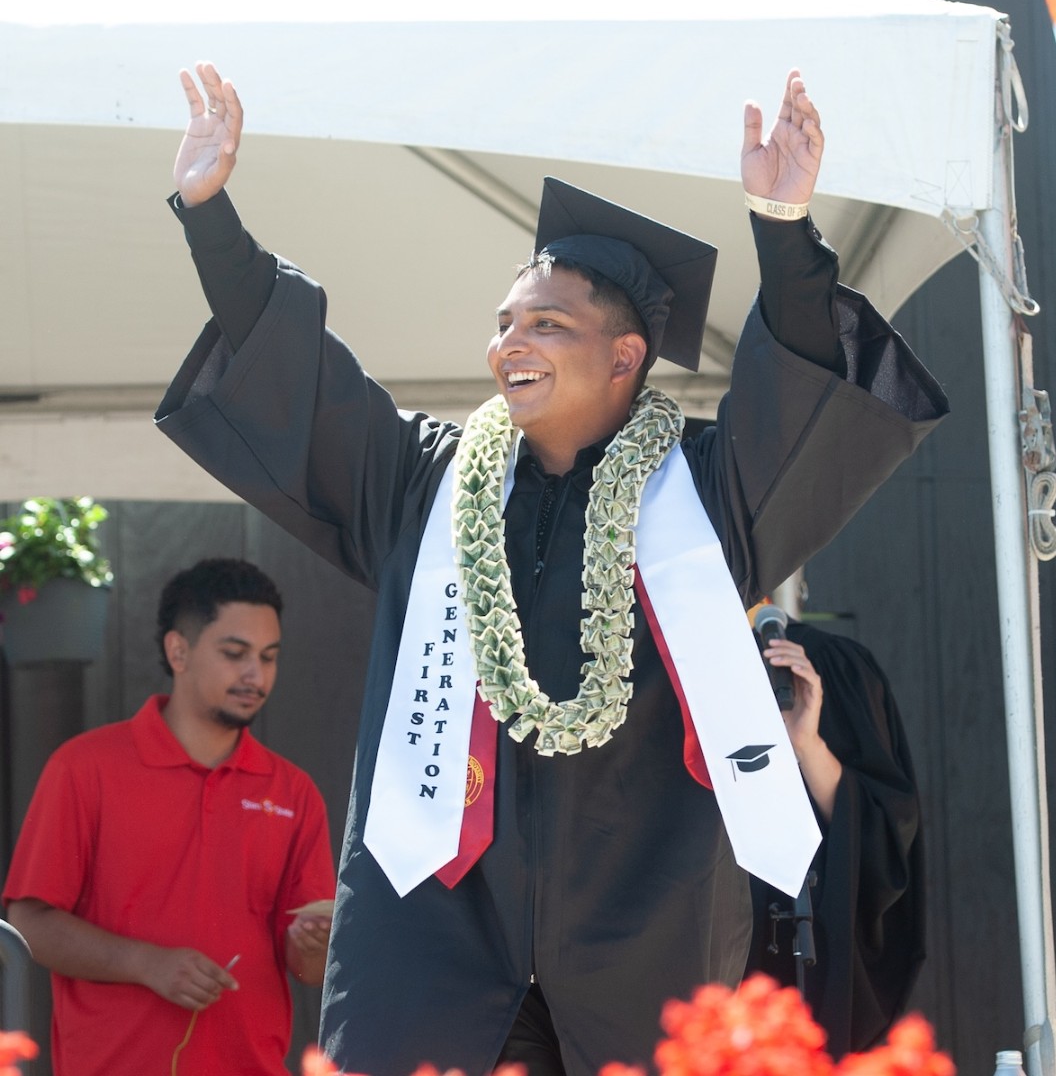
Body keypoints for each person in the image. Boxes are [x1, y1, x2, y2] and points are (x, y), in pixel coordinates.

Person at [155, 61, 948, 1076]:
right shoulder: (425, 485)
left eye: (545, 325)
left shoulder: (700, 499)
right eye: (503, 323)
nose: (507, 345)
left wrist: (782, 226)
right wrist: (210, 216)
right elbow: (301, 385)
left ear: (625, 357)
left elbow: (791, 397)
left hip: (644, 929)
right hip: (435, 928)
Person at [2, 558, 336, 1076]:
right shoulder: (84, 767)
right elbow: (28, 924)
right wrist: (146, 964)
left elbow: (309, 969)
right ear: (177, 650)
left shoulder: (293, 791)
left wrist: (310, 944)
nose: (256, 675)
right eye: (235, 653)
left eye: (269, 657)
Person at [752, 614, 925, 1058]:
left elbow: (880, 834)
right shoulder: (645, 670)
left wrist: (807, 745)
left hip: (784, 969)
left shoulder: (823, 664)